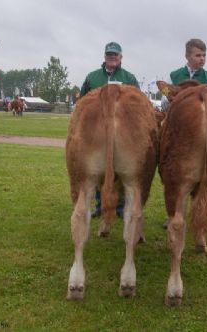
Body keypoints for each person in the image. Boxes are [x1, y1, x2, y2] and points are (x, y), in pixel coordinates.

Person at [80, 41, 139, 218]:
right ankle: (101, 204)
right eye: (109, 54)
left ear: (121, 57)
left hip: (122, 132)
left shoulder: (130, 78)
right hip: (97, 133)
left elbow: (138, 104)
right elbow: (82, 103)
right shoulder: (93, 77)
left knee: (120, 169)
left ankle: (120, 207)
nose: (112, 57)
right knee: (99, 169)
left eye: (115, 54)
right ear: (104, 56)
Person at [162, 38, 207, 227]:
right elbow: (165, 100)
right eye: (198, 55)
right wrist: (168, 100)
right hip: (177, 129)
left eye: (204, 55)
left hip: (199, 131)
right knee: (168, 166)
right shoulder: (175, 75)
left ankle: (198, 212)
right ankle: (173, 214)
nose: (202, 59)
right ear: (187, 56)